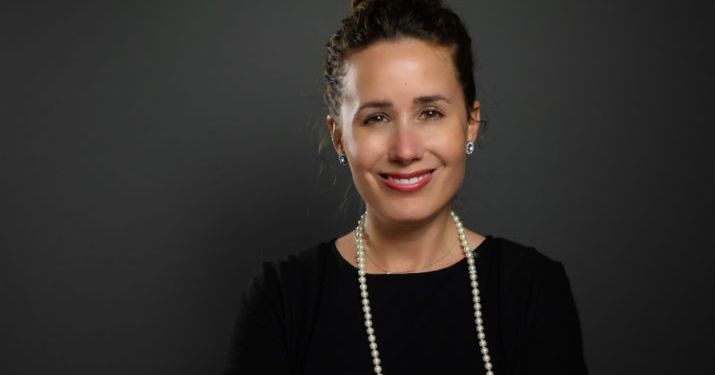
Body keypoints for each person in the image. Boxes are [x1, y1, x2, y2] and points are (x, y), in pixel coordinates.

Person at [223, 0, 588, 374]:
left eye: (430, 113)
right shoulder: (283, 299)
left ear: (470, 122)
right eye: (376, 118)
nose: (405, 150)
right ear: (339, 137)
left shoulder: (532, 289)